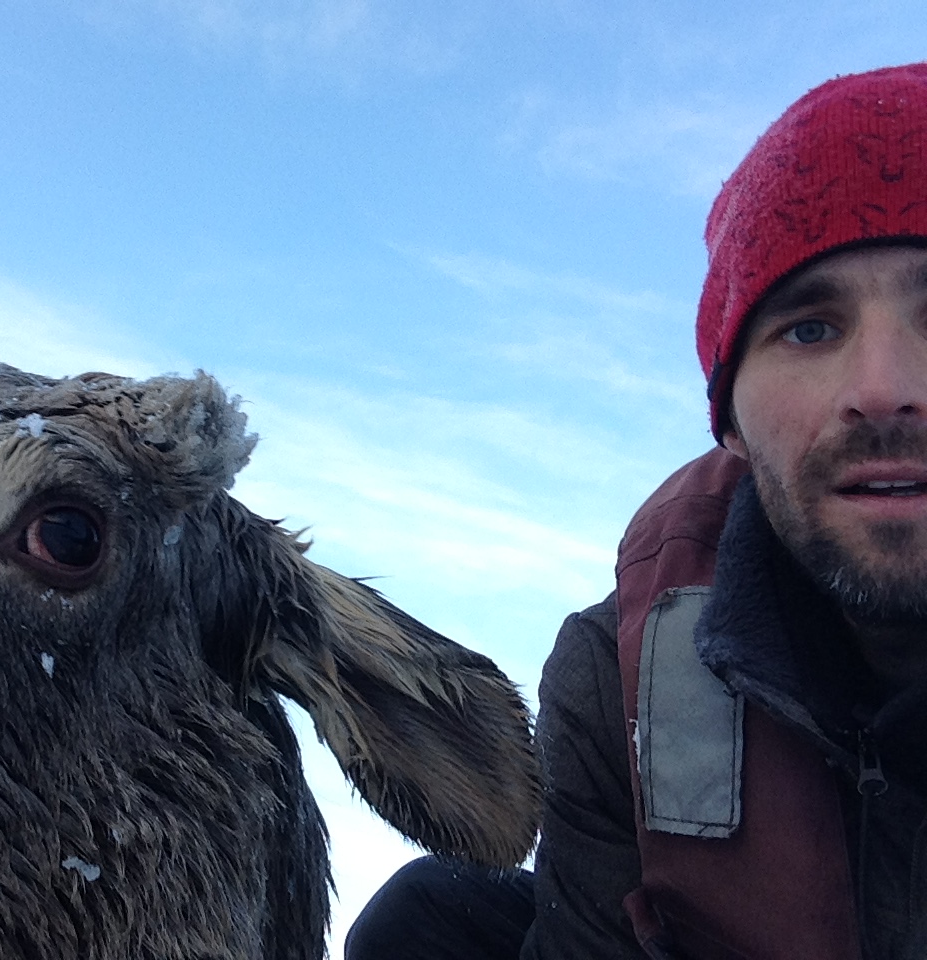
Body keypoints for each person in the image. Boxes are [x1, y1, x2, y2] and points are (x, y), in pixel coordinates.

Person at [346, 62, 927, 959]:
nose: (882, 390)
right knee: (429, 924)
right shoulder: (614, 679)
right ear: (729, 418)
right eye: (809, 328)